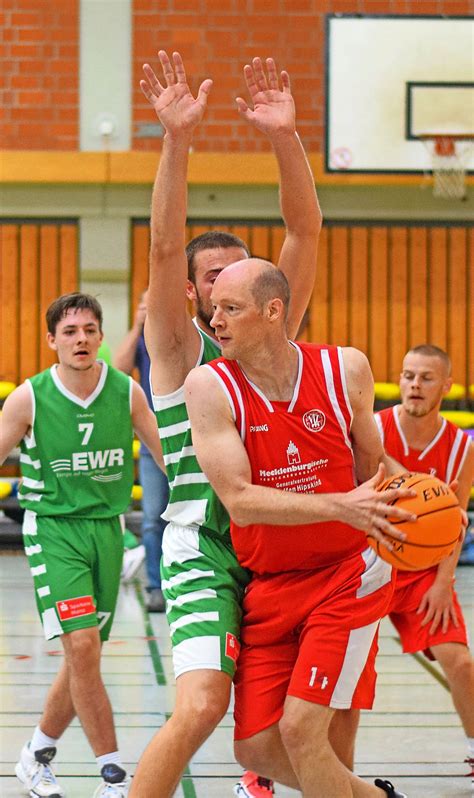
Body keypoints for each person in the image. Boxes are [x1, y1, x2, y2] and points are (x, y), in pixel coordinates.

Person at [129, 51, 322, 798]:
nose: (230, 285)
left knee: (305, 721)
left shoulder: (274, 335)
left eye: (242, 275)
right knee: (204, 705)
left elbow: (303, 231)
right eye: (215, 277)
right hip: (207, 544)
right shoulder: (179, 348)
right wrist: (177, 140)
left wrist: (283, 135)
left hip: (276, 549)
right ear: (191, 292)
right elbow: (164, 246)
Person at [184, 258, 420, 798]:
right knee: (255, 748)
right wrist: (343, 505)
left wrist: (418, 506)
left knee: (302, 732)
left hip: (347, 577)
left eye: (230, 308)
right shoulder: (210, 386)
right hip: (269, 584)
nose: (214, 320)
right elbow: (240, 502)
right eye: (213, 307)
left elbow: (373, 466)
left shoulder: (345, 369)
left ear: (273, 311)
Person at [0, 292, 164, 798]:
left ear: (100, 336)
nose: (81, 339)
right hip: (53, 530)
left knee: (82, 660)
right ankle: (113, 775)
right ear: (52, 340)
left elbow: (168, 459)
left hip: (107, 531)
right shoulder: (28, 397)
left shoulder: (128, 392)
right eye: (70, 331)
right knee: (85, 647)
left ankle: (36, 755)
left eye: (90, 329)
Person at [373, 345, 474, 783]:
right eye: (408, 375)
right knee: (346, 671)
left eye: (426, 378)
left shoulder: (459, 448)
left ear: (447, 386)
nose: (414, 385)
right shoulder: (374, 430)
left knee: (462, 663)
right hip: (369, 566)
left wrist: (443, 580)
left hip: (422, 575)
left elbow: (457, 520)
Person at [114, 291, 169, 611]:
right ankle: (155, 586)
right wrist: (137, 326)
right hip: (152, 439)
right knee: (152, 518)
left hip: (191, 438)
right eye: (144, 304)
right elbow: (119, 371)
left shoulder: (182, 333)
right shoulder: (142, 339)